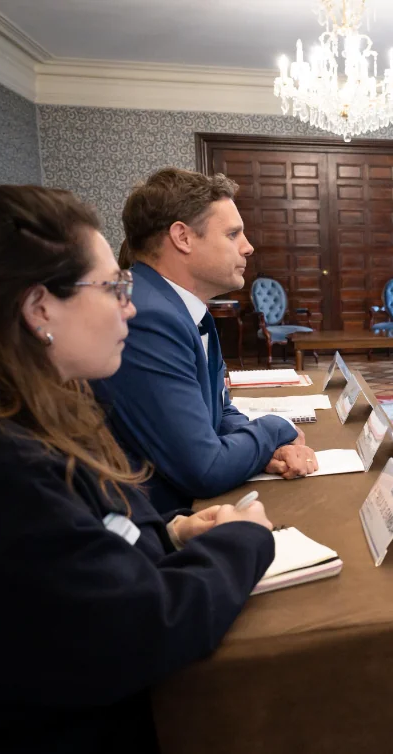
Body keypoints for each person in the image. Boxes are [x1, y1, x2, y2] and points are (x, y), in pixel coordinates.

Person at [0, 185, 276, 753]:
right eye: (113, 288)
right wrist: (246, 540)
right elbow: (140, 628)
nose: (130, 306)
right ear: (39, 309)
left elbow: (80, 547)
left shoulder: (42, 413)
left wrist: (172, 533)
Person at [93, 167, 317, 514]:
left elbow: (220, 409)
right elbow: (205, 469)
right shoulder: (146, 317)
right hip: (158, 522)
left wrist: (267, 449)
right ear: (182, 237)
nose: (248, 247)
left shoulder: (183, 307)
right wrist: (275, 430)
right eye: (233, 234)